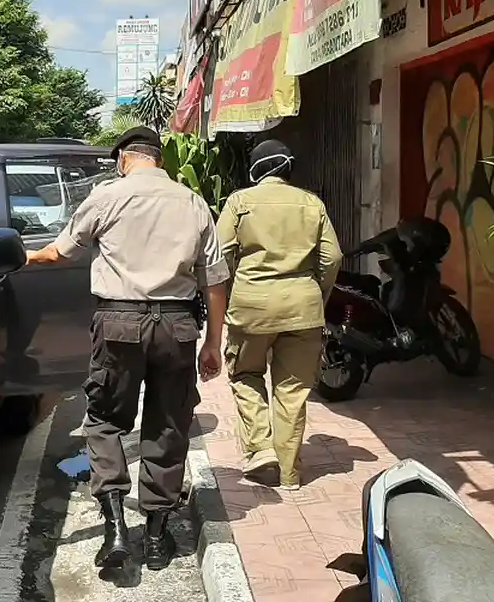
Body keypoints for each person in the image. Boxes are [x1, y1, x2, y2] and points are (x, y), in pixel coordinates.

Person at [25, 126, 230, 573]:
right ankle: (156, 538)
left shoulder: (106, 196)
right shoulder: (192, 202)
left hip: (118, 322)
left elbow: (62, 253)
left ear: (122, 159)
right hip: (178, 325)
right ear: (158, 159)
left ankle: (116, 527)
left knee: (103, 420)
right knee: (168, 422)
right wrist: (212, 342)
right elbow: (214, 278)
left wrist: (28, 257)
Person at [215, 138, 342, 491]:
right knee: (292, 391)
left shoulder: (240, 202)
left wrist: (232, 293)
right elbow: (332, 258)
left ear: (256, 169)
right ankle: (289, 475)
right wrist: (317, 293)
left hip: (251, 308)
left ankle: (260, 449)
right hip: (304, 308)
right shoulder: (311, 203)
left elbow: (221, 254)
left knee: (245, 375)